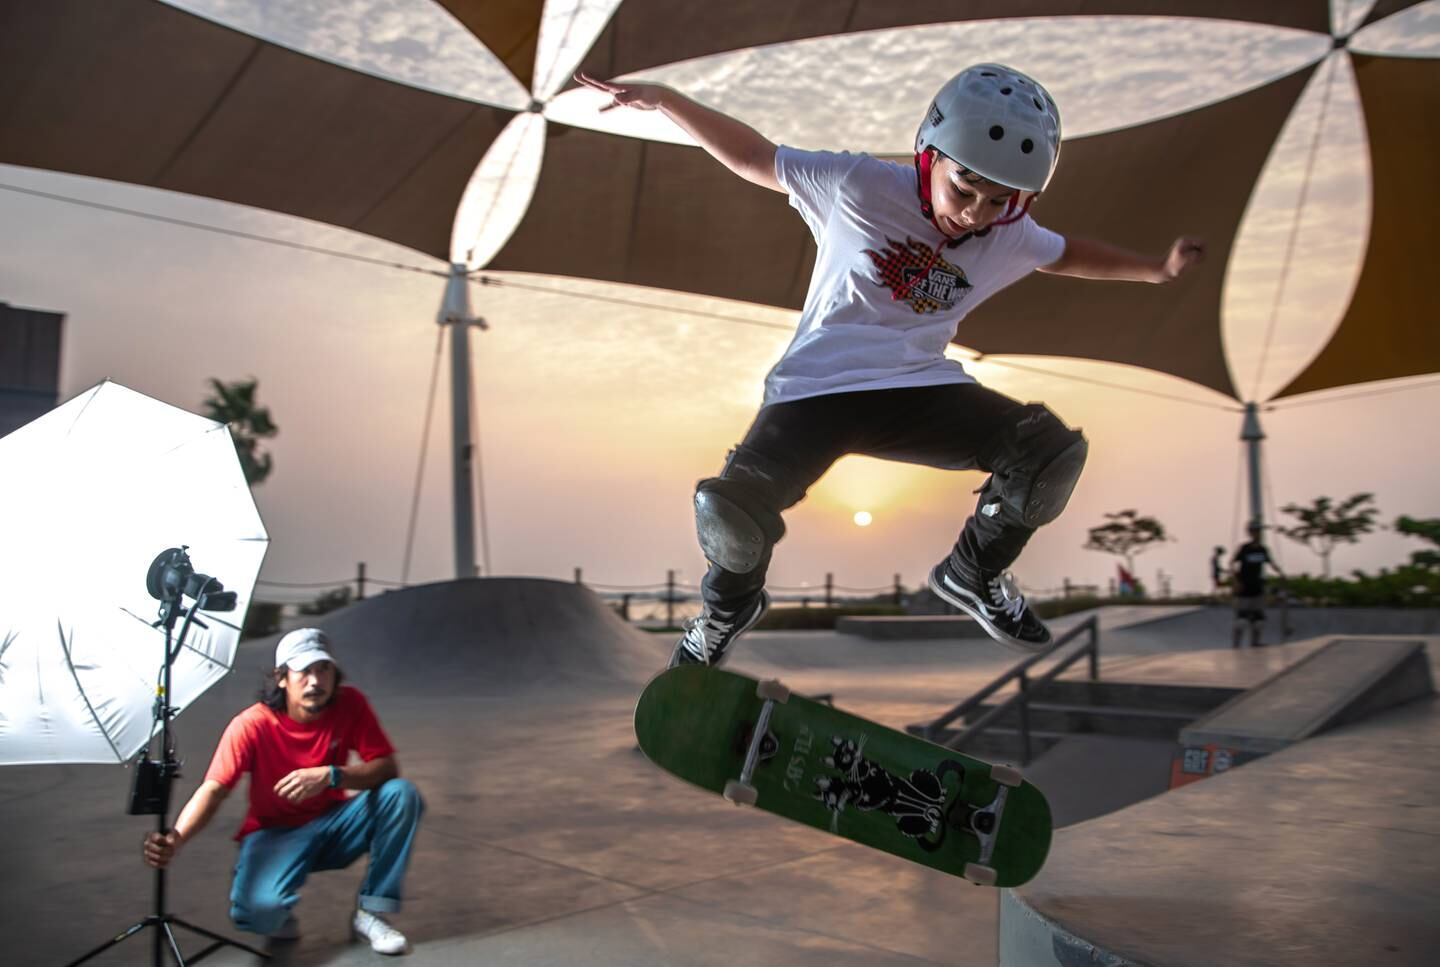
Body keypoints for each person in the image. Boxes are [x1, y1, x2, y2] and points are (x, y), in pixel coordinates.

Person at [577, 64, 1203, 665]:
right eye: (964, 189)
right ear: (928, 160)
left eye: (998, 201)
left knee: (1048, 453)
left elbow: (1067, 253)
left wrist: (1156, 270)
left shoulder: (1011, 231)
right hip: (813, 392)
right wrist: (665, 100)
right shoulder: (858, 185)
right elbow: (753, 157)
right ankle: (723, 612)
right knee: (730, 513)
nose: (975, 214)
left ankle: (973, 573)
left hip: (917, 390)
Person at [142, 628, 423, 954]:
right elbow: (214, 788)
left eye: (323, 669)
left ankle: (372, 912)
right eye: (304, 671)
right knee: (259, 916)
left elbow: (387, 769)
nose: (315, 681)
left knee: (401, 794)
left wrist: (332, 775)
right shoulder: (252, 724)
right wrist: (176, 837)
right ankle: (274, 904)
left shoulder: (351, 704)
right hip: (275, 834)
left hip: (335, 825)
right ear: (282, 678)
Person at [1231, 522, 1286, 647]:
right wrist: (1236, 581)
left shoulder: (1263, 549)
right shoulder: (1244, 548)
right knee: (1242, 620)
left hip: (1257, 587)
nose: (1257, 534)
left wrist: (1281, 573)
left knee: (1259, 620)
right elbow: (1232, 564)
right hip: (1244, 588)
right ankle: (1236, 644)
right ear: (1250, 533)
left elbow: (1271, 563)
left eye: (1259, 532)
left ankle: (1255, 642)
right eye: (1254, 531)